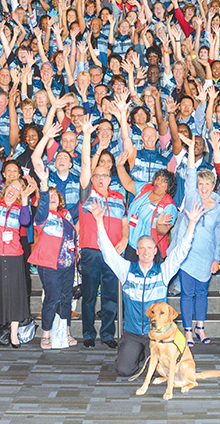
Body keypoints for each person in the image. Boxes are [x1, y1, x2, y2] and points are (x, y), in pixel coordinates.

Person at [89, 198, 205, 377]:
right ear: (136, 251)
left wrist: (192, 224)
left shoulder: (163, 271)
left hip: (160, 333)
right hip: (133, 333)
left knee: (166, 373)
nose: (145, 252)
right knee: (124, 370)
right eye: (142, 248)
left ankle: (150, 356)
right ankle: (139, 354)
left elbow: (181, 251)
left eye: (149, 248)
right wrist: (98, 220)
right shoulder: (126, 269)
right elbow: (108, 252)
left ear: (155, 251)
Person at [0, 137, 37, 350]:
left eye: (17, 188)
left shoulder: (20, 209)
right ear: (4, 188)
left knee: (15, 294)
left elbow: (25, 222)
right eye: (10, 187)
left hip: (13, 255)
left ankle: (14, 334)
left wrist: (24, 201)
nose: (13, 190)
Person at [78, 116, 129, 349]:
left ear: (110, 178)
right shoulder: (87, 195)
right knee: (89, 296)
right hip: (91, 251)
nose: (100, 179)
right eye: (96, 176)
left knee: (109, 297)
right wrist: (89, 136)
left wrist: (125, 239)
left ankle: (108, 335)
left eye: (104, 176)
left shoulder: (119, 197)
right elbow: (86, 167)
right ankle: (88, 333)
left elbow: (126, 221)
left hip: (113, 253)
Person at [171, 135, 220, 347]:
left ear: (213, 185)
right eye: (201, 184)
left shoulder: (219, 209)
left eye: (207, 183)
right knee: (187, 293)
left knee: (202, 292)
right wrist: (192, 148)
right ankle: (187, 331)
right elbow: (190, 174)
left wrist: (215, 259)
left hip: (206, 256)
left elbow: (219, 236)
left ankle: (200, 328)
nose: (203, 187)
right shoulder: (192, 197)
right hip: (187, 253)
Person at [28, 167, 78, 349]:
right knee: (52, 298)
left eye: (55, 195)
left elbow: (82, 204)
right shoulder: (43, 216)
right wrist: (43, 186)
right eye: (49, 196)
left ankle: (65, 332)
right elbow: (41, 206)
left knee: (66, 298)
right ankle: (46, 334)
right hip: (50, 265)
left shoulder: (66, 215)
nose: (53, 197)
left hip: (68, 264)